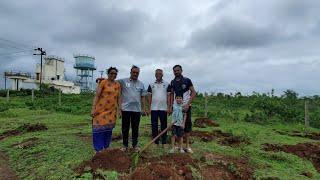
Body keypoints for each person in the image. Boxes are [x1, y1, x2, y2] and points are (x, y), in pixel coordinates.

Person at [91, 67, 121, 152]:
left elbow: (119, 98)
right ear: (108, 74)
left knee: (108, 130)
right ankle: (98, 149)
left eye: (115, 74)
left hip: (111, 111)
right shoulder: (103, 82)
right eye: (111, 73)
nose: (113, 75)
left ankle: (106, 147)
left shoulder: (117, 84)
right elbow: (97, 95)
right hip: (100, 110)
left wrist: (119, 110)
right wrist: (93, 108)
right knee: (98, 130)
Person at [118, 65, 147, 152]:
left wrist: (144, 108)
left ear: (139, 73)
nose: (135, 74)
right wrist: (101, 80)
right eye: (134, 72)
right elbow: (112, 81)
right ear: (130, 72)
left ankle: (135, 145)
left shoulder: (141, 84)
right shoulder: (123, 81)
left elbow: (143, 97)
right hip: (125, 109)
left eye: (137, 73)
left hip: (137, 110)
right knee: (125, 128)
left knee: (135, 128)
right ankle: (125, 145)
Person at [169, 65, 196, 153]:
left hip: (185, 107)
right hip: (176, 108)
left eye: (178, 70)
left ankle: (187, 146)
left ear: (181, 70)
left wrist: (188, 104)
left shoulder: (187, 80)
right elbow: (172, 95)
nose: (176, 72)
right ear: (173, 72)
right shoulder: (172, 82)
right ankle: (177, 146)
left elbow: (193, 92)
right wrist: (171, 106)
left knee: (187, 126)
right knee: (176, 127)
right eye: (175, 71)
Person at [147, 69, 171, 147]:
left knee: (164, 125)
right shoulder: (151, 84)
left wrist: (169, 107)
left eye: (160, 73)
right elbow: (149, 96)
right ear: (155, 75)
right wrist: (149, 107)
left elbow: (169, 96)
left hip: (163, 108)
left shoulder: (167, 84)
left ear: (162, 74)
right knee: (154, 125)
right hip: (153, 108)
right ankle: (155, 142)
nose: (158, 75)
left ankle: (164, 142)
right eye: (157, 73)